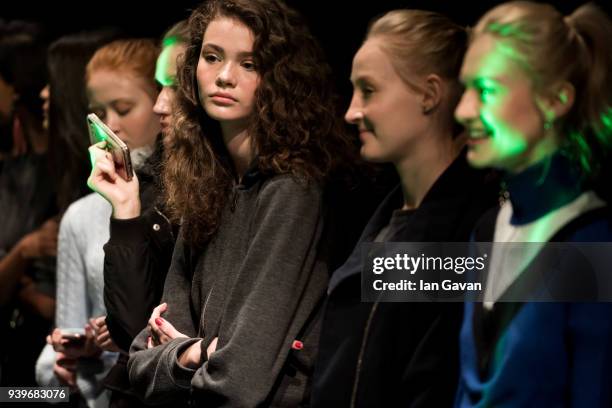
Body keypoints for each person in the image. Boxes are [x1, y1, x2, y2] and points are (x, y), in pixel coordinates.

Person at [120, 0, 359, 406]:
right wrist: (194, 354)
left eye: (249, 64)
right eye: (212, 57)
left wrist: (178, 360)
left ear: (279, 76)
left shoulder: (291, 192)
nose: (224, 77)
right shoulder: (207, 183)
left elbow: (237, 382)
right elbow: (139, 361)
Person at [311, 10, 498, 408]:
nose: (351, 112)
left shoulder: (473, 234)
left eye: (369, 90)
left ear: (430, 94)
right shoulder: (380, 216)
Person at [454, 2, 612, 406]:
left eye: (486, 90)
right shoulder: (486, 231)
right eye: (466, 89)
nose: (463, 110)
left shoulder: (594, 244)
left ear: (556, 99)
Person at [36, 38, 160, 408]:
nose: (111, 126)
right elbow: (65, 335)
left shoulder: (184, 203)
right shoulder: (81, 216)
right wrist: (72, 354)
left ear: (163, 104)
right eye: (97, 114)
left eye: (124, 108)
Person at [88, 21, 188, 408]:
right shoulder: (141, 189)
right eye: (100, 110)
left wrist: (196, 352)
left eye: (124, 107)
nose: (163, 104)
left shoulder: (285, 190)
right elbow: (132, 331)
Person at [0, 20, 57, 387]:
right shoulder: (13, 170)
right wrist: (22, 251)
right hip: (17, 357)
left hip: (51, 361)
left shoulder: (71, 173)